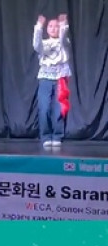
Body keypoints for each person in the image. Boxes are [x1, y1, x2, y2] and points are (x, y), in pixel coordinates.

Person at [33, 13, 71, 148]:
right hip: (45, 78)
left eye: (56, 26)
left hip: (60, 78)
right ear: (47, 29)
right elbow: (36, 44)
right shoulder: (43, 44)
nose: (53, 28)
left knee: (59, 108)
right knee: (44, 108)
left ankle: (57, 135)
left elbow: (63, 38)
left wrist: (63, 25)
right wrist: (39, 26)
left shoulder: (64, 42)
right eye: (50, 26)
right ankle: (45, 135)